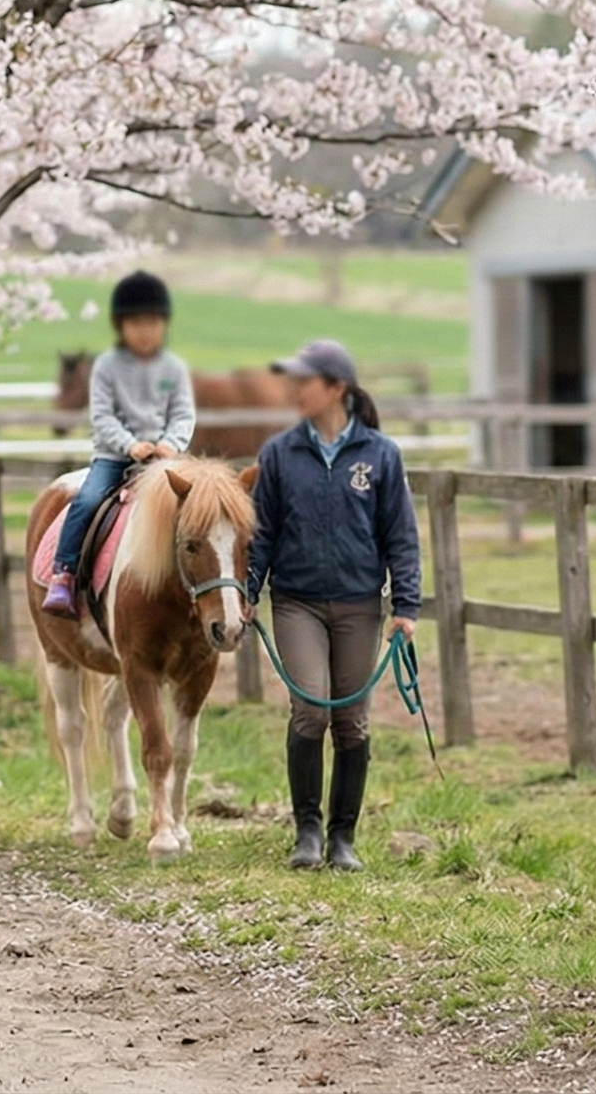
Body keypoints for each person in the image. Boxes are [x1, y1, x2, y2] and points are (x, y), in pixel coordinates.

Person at [244, 339, 420, 873]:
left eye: (306, 381)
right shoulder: (279, 454)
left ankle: (343, 837)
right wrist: (249, 592)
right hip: (297, 601)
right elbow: (262, 533)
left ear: (337, 389)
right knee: (311, 707)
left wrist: (406, 605)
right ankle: (307, 830)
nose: (295, 390)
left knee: (352, 720)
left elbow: (401, 536)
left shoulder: (381, 455)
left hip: (359, 604)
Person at [43, 271, 195, 618]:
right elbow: (101, 417)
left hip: (165, 459)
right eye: (136, 322)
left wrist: (170, 443)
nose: (145, 330)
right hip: (115, 457)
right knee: (88, 499)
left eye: (153, 322)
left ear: (164, 324)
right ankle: (64, 574)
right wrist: (129, 445)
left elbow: (184, 414)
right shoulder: (106, 367)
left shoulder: (173, 368)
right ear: (120, 326)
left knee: (201, 507)